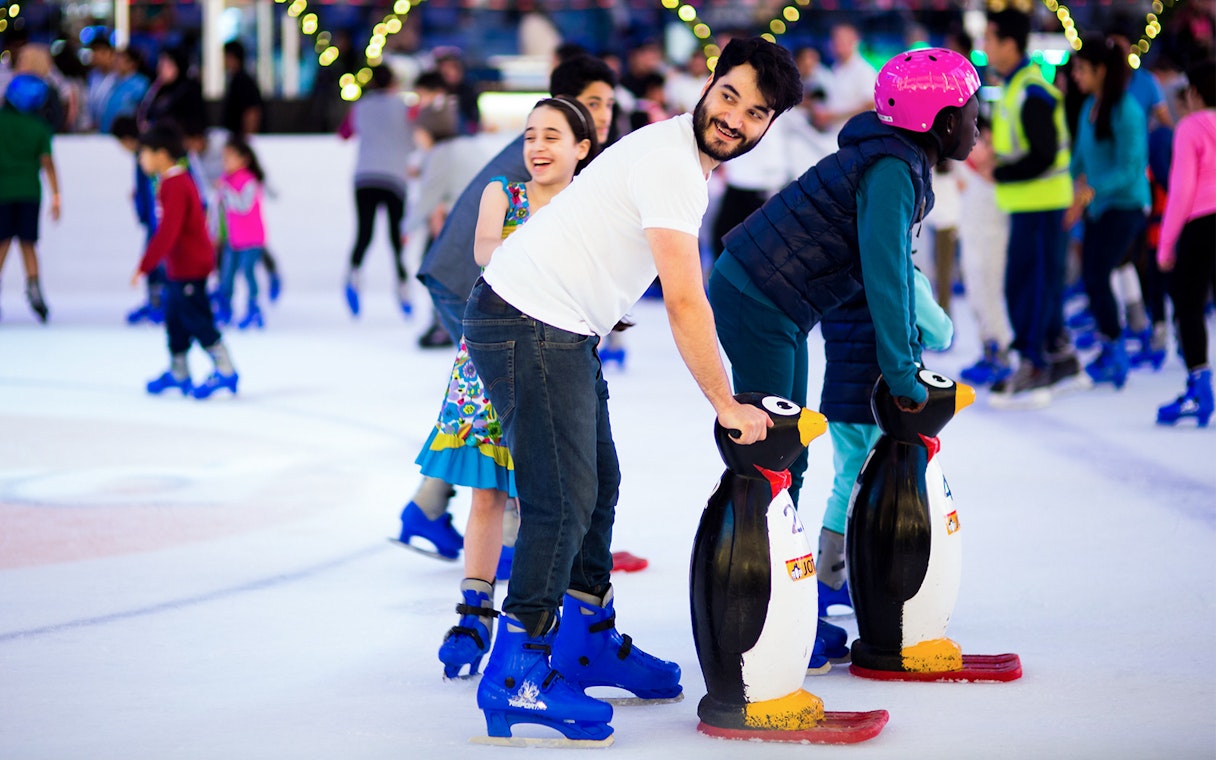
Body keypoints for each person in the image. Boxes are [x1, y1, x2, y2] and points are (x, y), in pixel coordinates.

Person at [461, 37, 802, 744]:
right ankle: (516, 673)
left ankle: (582, 639)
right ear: (708, 85)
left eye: (755, 112)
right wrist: (725, 402)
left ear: (769, 125)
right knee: (561, 499)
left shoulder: (680, 158)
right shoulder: (674, 164)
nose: (735, 117)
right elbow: (685, 300)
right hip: (529, 322)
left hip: (557, 324)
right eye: (729, 95)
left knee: (598, 484)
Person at [708, 48, 979, 658]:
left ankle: (784, 603)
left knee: (791, 454)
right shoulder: (888, 171)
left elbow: (893, 278)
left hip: (779, 303)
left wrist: (904, 355)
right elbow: (886, 277)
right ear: (939, 120)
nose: (977, 125)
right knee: (770, 457)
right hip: (760, 298)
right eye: (971, 112)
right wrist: (901, 372)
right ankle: (758, 620)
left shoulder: (895, 163)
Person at [397, 54, 618, 555]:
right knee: (508, 406)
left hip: (474, 280)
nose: (603, 114)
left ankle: (427, 507)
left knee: (496, 408)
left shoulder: (566, 162)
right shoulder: (542, 159)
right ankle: (515, 537)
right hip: (471, 283)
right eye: (592, 103)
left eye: (608, 103)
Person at [430, 96, 599, 680]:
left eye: (553, 136)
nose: (538, 147)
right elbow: (483, 251)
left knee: (551, 498)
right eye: (530, 136)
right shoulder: (504, 194)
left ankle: (546, 620)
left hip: (557, 363)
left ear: (582, 149)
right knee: (487, 495)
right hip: (491, 362)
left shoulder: (588, 205)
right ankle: (474, 609)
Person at [984, 9, 1084, 407]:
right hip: (1030, 206)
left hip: (1041, 206)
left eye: (990, 39)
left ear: (1010, 44)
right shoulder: (1014, 87)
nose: (986, 47)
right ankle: (1057, 359)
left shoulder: (1030, 90)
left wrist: (1001, 173)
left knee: (1030, 287)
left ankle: (1036, 364)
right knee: (1030, 285)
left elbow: (1044, 154)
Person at [1065, 35, 1150, 390]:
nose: (1076, 77)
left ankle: (1117, 347)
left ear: (1100, 70)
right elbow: (1080, 157)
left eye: (1082, 70)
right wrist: (1072, 190)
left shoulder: (1127, 110)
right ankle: (1115, 340)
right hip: (1097, 205)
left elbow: (1132, 167)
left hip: (1126, 205)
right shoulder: (1090, 107)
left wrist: (1089, 191)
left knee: (1099, 272)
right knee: (1093, 273)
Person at [132, 123, 238, 400]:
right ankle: (179, 371)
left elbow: (169, 230)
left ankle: (225, 369)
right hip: (179, 266)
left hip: (191, 266)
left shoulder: (176, 184)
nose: (141, 159)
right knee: (175, 318)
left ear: (161, 154)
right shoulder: (168, 182)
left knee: (196, 317)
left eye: (144, 153)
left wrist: (146, 264)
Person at [1156, 59, 1216, 427]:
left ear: (1194, 92)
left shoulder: (1191, 126)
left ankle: (1200, 386)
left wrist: (1166, 246)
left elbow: (1181, 191)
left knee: (1189, 305)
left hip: (1202, 224)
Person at [337, 64, 415, 318]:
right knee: (396, 237)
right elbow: (420, 135)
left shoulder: (360, 106)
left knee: (364, 233)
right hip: (395, 177)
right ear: (393, 82)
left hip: (365, 176)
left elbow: (344, 134)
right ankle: (403, 286)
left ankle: (354, 275)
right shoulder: (406, 108)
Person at [957, 116, 1015, 386]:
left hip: (994, 236)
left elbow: (991, 172)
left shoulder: (1000, 173)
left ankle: (1001, 350)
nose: (982, 148)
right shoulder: (964, 166)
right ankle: (987, 347)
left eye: (988, 142)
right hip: (972, 235)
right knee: (975, 290)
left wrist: (987, 164)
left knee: (990, 289)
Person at [0, 74, 60, 323]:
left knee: (2, 243)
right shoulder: (38, 127)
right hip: (29, 192)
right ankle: (35, 291)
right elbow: (47, 163)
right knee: (28, 243)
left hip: (2, 192)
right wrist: (57, 195)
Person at [111, 115, 164, 325]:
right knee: (152, 261)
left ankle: (162, 304)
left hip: (158, 221)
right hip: (152, 221)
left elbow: (155, 192)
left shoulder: (149, 156)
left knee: (160, 262)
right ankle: (155, 302)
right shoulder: (142, 157)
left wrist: (152, 216)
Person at [215, 137, 269, 330]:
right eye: (224, 158)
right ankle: (224, 307)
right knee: (226, 274)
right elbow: (219, 211)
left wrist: (226, 191)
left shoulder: (249, 181)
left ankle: (254, 308)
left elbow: (242, 206)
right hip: (233, 238)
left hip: (252, 238)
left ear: (243, 159)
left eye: (229, 158)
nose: (225, 162)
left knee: (247, 271)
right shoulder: (224, 180)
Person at [810, 22, 878, 136]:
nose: (837, 43)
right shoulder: (835, 69)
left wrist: (832, 116)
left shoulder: (864, 70)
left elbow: (869, 104)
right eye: (834, 39)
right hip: (831, 133)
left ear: (854, 41)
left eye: (841, 39)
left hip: (854, 137)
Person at [220, 40, 263, 139]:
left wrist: (247, 138)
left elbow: (252, 112)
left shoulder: (242, 81)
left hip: (241, 140)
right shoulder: (235, 80)